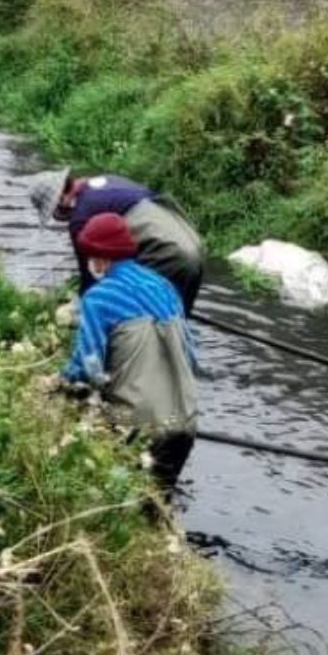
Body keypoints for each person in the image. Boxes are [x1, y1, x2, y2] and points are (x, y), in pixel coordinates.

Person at [62, 213, 199, 491]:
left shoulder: (100, 297)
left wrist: (59, 383)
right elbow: (192, 355)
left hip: (136, 425)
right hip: (186, 421)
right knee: (158, 498)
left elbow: (87, 368)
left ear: (101, 257)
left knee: (120, 503)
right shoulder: (166, 287)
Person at [27, 169, 207, 313]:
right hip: (192, 244)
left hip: (165, 251)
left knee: (139, 317)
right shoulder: (107, 181)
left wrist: (79, 307)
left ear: (59, 200)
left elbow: (92, 278)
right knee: (177, 322)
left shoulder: (80, 218)